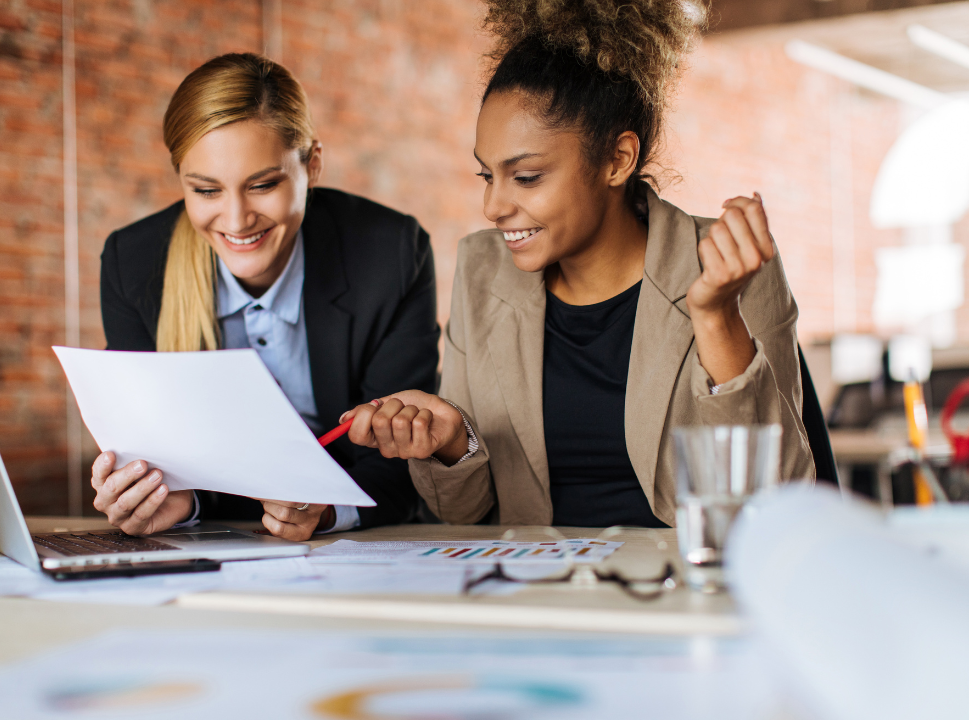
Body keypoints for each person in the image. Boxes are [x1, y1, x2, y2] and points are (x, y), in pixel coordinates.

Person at [342, 0, 815, 527]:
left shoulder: (727, 266)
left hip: (680, 591)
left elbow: (777, 499)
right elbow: (460, 513)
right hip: (535, 593)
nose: (493, 206)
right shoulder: (483, 270)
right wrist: (454, 444)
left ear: (618, 159)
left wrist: (716, 316)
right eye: (486, 176)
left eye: (525, 177)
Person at [91, 53, 439, 540]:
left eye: (262, 184)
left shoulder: (390, 254)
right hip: (215, 547)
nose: (235, 221)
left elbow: (404, 461)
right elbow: (155, 458)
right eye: (206, 191)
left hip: (352, 546)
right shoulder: (133, 263)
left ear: (312, 166)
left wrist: (327, 511)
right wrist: (163, 500)